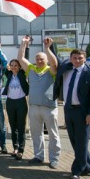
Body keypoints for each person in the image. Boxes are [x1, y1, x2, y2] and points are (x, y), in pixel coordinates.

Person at [52, 46, 90, 179]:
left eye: (80, 58)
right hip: (68, 110)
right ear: (70, 59)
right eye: (74, 58)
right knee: (75, 141)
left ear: (85, 59)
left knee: (82, 141)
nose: (77, 60)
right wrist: (49, 46)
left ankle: (77, 171)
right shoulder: (67, 68)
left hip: (83, 112)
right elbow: (56, 59)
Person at [18, 36, 61, 169]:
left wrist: (47, 48)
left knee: (53, 134)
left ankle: (54, 159)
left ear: (46, 60)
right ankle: (38, 156)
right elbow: (20, 59)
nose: (39, 61)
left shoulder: (50, 70)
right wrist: (23, 44)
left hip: (49, 107)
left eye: (42, 59)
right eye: (37, 59)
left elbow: (55, 64)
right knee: (36, 133)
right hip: (34, 106)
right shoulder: (31, 69)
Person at [3, 58, 29, 160]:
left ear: (20, 67)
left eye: (16, 65)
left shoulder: (23, 74)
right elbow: (2, 61)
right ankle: (15, 147)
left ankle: (21, 150)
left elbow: (25, 59)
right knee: (13, 127)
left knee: (21, 127)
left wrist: (25, 45)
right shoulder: (9, 74)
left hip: (21, 102)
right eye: (12, 65)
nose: (14, 67)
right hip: (10, 102)